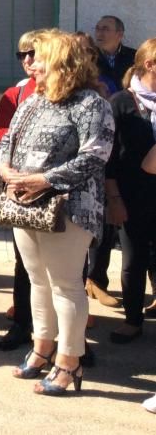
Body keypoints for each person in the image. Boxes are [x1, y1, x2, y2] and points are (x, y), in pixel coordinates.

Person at [0, 29, 114, 396]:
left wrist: (43, 180)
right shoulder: (33, 100)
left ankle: (70, 360)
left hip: (71, 207)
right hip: (24, 204)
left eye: (41, 57)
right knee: (37, 281)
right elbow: (7, 143)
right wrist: (7, 172)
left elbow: (95, 155)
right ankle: (42, 347)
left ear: (63, 62)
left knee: (66, 285)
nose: (33, 63)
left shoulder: (92, 104)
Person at [0, 30, 42, 352]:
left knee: (68, 270)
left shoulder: (76, 91)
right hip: (21, 188)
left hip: (60, 190)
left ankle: (70, 339)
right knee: (25, 261)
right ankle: (23, 322)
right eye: (22, 55)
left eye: (33, 53)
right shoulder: (16, 93)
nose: (28, 60)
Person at [106, 38, 156, 344]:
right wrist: (114, 199)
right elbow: (109, 159)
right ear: (150, 65)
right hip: (131, 194)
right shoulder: (121, 103)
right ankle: (133, 319)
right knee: (133, 259)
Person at [87, 15, 135, 308]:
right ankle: (96, 281)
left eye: (106, 28)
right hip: (100, 141)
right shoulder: (89, 59)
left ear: (120, 33)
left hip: (131, 142)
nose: (100, 32)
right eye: (98, 28)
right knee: (103, 222)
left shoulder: (134, 57)